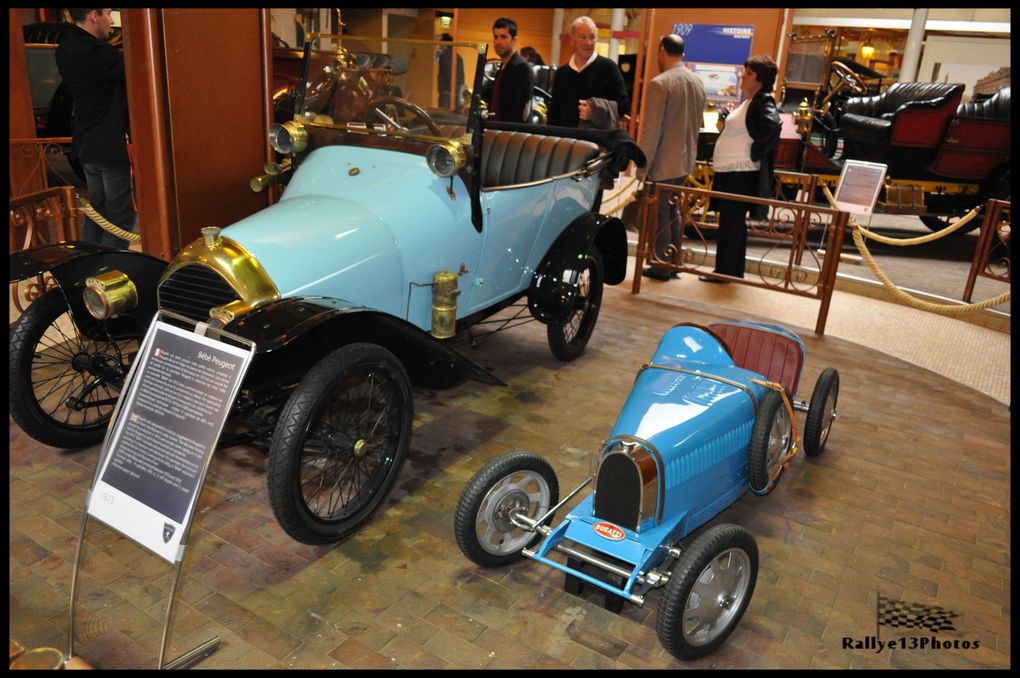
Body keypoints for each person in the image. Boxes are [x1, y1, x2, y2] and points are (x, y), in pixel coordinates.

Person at [56, 8, 136, 247]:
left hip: (87, 143)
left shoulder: (65, 48)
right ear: (93, 15)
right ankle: (108, 273)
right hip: (110, 146)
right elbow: (137, 73)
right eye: (108, 14)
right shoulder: (97, 53)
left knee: (100, 214)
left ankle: (86, 265)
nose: (111, 21)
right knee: (119, 219)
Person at [704, 55, 782, 283]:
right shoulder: (751, 101)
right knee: (733, 223)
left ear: (759, 80)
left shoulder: (762, 101)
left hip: (740, 173)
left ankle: (725, 272)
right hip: (734, 173)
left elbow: (773, 126)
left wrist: (755, 152)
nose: (743, 77)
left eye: (748, 74)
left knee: (731, 223)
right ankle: (732, 271)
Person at [637, 34, 707, 281]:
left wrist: (641, 165)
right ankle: (673, 262)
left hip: (663, 161)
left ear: (661, 50)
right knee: (674, 210)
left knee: (660, 214)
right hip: (686, 160)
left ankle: (660, 265)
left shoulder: (660, 83)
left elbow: (651, 131)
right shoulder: (697, 82)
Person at [547, 16, 630, 129]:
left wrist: (595, 111)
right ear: (572, 40)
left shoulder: (608, 68)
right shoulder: (562, 73)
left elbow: (624, 105)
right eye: (582, 37)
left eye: (592, 37)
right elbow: (554, 112)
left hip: (597, 142)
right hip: (566, 141)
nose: (588, 43)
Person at [483, 18, 535, 123]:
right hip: (498, 131)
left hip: (510, 134)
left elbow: (522, 113)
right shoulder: (503, 66)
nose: (498, 42)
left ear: (514, 40)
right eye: (495, 37)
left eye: (503, 37)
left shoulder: (522, 68)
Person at [436, 33, 464, 110]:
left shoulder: (444, 56)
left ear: (444, 42)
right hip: (457, 94)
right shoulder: (459, 57)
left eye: (440, 41)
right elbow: (461, 77)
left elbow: (447, 73)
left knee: (443, 117)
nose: (439, 44)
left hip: (447, 93)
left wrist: (445, 90)